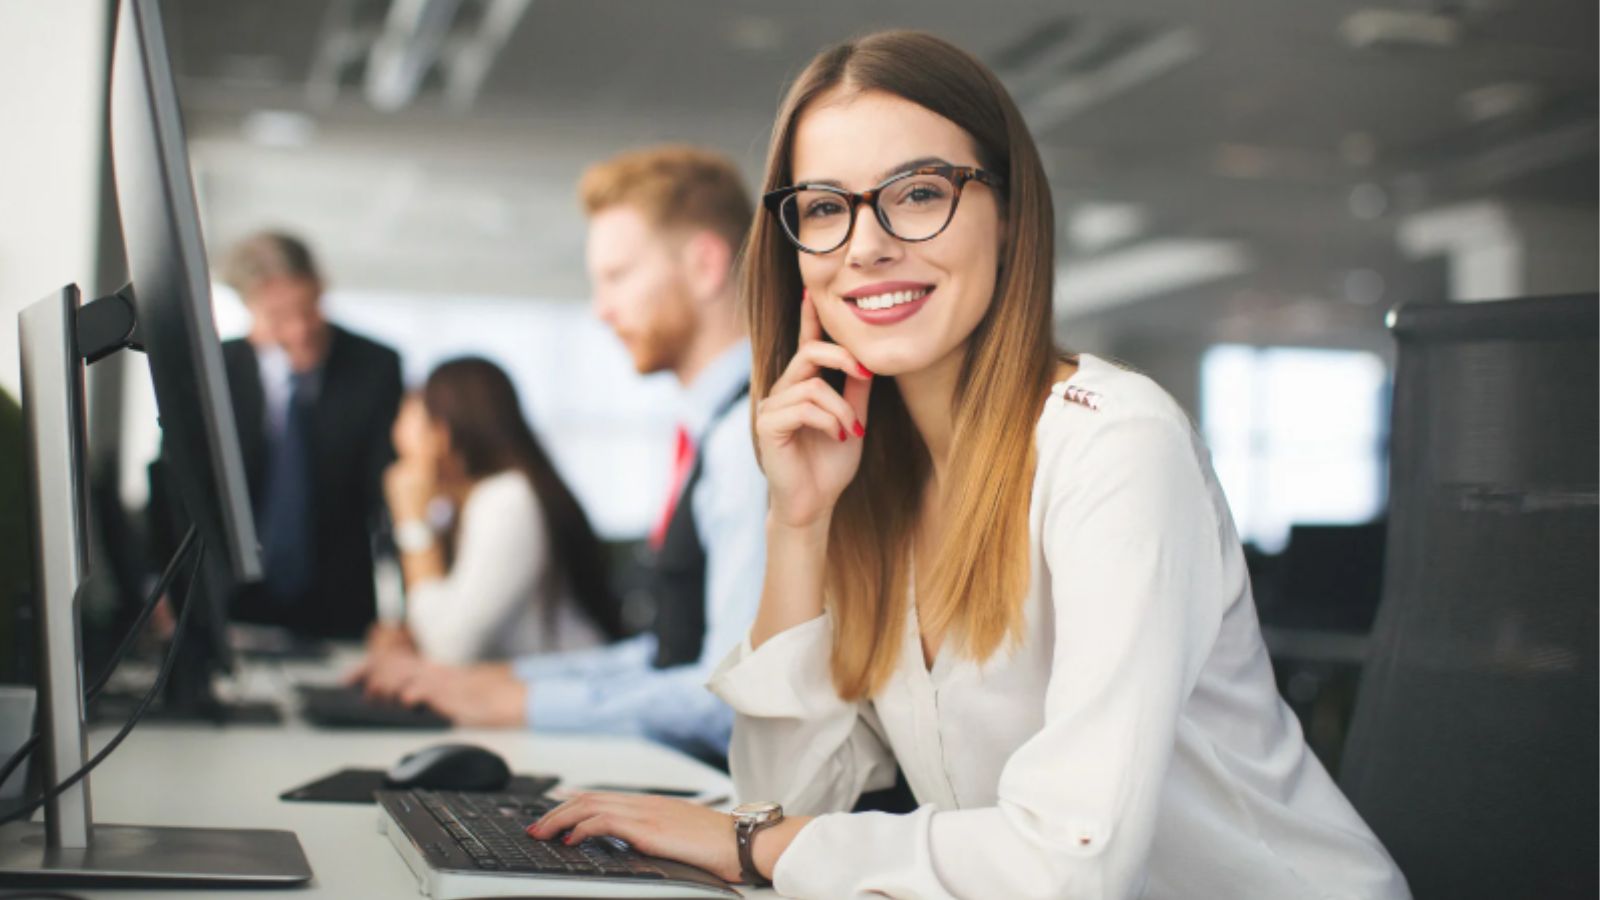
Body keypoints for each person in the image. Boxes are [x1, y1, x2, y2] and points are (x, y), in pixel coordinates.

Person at [525, 31, 1411, 899]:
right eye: (827, 207)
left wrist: (757, 840)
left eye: (915, 193)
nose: (865, 245)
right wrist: (797, 524)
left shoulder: (1114, 445)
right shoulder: (868, 475)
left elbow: (1070, 863)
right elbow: (785, 809)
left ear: (1011, 212)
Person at [362, 147, 767, 764]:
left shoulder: (751, 439)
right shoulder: (714, 429)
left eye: (618, 276)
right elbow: (672, 652)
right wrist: (506, 685)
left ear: (705, 264)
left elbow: (731, 696)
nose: (601, 309)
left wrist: (519, 703)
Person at [359, 357, 621, 666]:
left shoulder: (507, 500)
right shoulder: (464, 506)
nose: (397, 439)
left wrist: (413, 523)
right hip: (519, 692)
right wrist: (411, 636)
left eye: (404, 425)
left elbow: (449, 648)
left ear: (442, 435)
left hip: (567, 694)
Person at [216, 231, 402, 639]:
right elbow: (180, 483)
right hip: (228, 596)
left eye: (310, 308)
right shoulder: (215, 368)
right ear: (248, 309)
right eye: (279, 317)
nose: (300, 331)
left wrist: (404, 608)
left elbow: (389, 492)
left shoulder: (375, 366)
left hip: (339, 600)